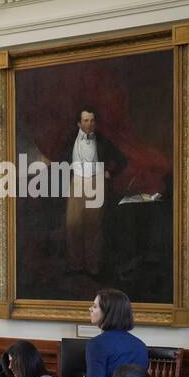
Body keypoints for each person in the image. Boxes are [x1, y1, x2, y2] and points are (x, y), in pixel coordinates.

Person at [61, 105, 127, 277]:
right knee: (72, 224)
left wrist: (109, 172)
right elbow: (60, 161)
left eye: (92, 120)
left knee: (94, 226)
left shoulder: (103, 141)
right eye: (85, 121)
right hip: (75, 182)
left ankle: (92, 267)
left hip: (96, 183)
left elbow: (122, 159)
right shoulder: (69, 140)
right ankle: (75, 265)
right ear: (78, 123)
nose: (89, 124)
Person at [86, 288, 161, 377]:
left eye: (95, 306)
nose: (90, 309)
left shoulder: (97, 344)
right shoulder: (140, 345)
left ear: (108, 312)